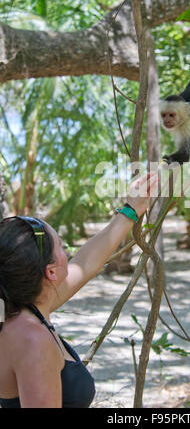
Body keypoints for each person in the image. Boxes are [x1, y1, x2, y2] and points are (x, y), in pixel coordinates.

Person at [0, 172, 158, 408]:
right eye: (61, 246)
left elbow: (85, 264)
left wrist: (131, 209)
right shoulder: (33, 340)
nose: (69, 253)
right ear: (51, 272)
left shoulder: (22, 309)